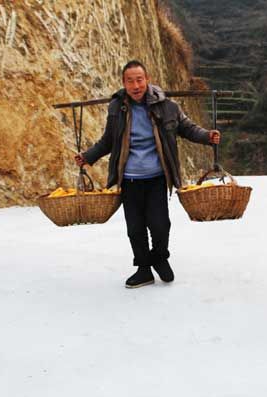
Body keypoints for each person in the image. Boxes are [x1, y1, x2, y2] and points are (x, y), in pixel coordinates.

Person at [75, 60, 221, 288]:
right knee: (135, 229)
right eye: (130, 81)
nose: (136, 86)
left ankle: (160, 257)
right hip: (129, 179)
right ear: (123, 83)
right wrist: (87, 156)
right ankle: (143, 270)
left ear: (148, 80)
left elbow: (187, 128)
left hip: (156, 178)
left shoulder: (167, 106)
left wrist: (207, 136)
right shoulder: (117, 108)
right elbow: (108, 140)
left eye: (139, 80)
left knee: (160, 225)